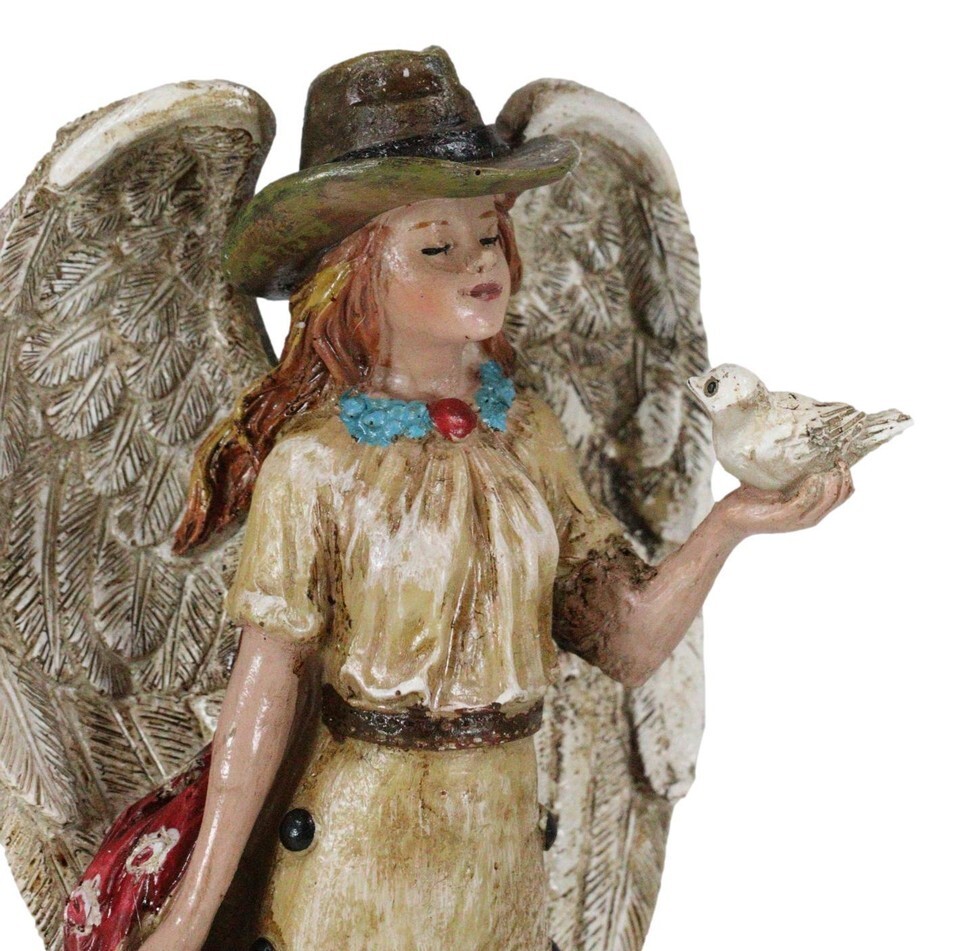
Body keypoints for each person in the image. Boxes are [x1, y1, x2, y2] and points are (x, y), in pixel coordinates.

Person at [131, 48, 852, 951]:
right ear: (355, 273)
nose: (479, 262)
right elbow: (264, 689)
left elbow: (626, 643)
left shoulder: (529, 433)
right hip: (360, 851)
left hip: (503, 851)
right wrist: (192, 913)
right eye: (437, 246)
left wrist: (730, 522)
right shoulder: (314, 464)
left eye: (488, 233)